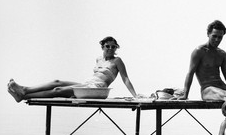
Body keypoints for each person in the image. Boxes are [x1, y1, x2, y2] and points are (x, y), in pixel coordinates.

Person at [7, 36, 137, 102]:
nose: (110, 49)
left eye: (113, 47)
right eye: (108, 46)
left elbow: (125, 79)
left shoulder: (117, 61)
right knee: (57, 82)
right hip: (88, 84)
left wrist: (135, 96)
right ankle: (24, 90)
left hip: (98, 89)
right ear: (102, 47)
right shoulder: (99, 59)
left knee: (58, 90)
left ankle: (23, 96)